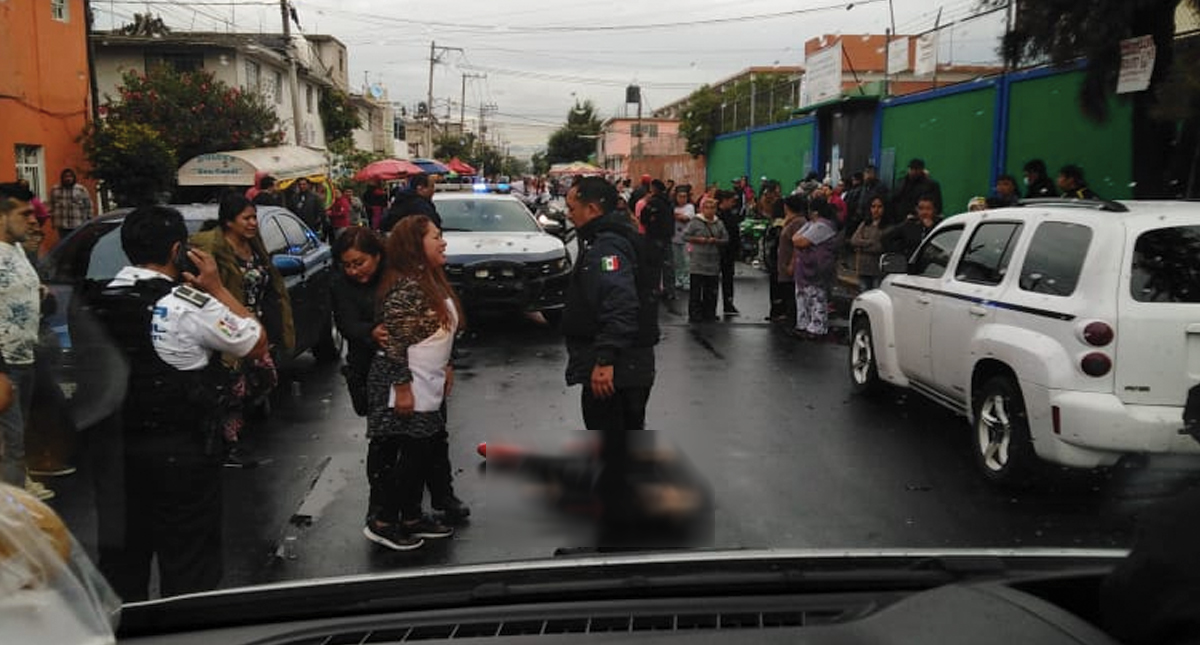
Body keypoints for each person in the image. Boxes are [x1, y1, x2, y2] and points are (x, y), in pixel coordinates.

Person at [91, 204, 267, 600]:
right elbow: (256, 343)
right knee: (189, 564)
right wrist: (218, 287)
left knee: (121, 564)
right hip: (180, 452)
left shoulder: (95, 299)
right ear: (177, 251)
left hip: (114, 454)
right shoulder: (186, 302)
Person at [562, 176, 658, 546]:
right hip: (630, 362)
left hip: (618, 365)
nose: (569, 215)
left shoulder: (608, 247)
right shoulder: (616, 238)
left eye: (572, 208)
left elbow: (620, 305)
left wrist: (604, 360)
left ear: (592, 208)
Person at [364, 215, 463, 551]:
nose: (443, 241)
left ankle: (411, 517)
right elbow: (394, 344)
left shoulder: (429, 280)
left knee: (421, 454)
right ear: (415, 246)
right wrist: (403, 389)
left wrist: (449, 364)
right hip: (404, 387)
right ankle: (383, 522)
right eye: (436, 236)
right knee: (408, 458)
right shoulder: (406, 287)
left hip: (428, 383)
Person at [190, 193, 294, 467]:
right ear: (228, 222)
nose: (252, 223)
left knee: (264, 379)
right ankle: (228, 446)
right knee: (233, 389)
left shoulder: (255, 246)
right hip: (227, 329)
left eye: (254, 218)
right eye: (246, 218)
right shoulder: (211, 252)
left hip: (257, 327)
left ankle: (230, 434)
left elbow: (271, 284)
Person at [0, 183, 53, 502]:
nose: (34, 220)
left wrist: (42, 295)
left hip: (24, 358)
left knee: (15, 441)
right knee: (11, 444)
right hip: (4, 366)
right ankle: (12, 521)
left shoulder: (18, 249)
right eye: (25, 213)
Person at [791, 198, 839, 341]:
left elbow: (801, 241)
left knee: (817, 298)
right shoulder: (812, 224)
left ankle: (817, 329)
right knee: (803, 297)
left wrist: (800, 237)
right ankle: (804, 325)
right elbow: (795, 238)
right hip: (804, 270)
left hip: (817, 269)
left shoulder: (823, 226)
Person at [683, 197, 727, 323]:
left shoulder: (719, 223)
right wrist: (698, 240)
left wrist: (717, 241)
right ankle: (695, 313)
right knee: (696, 290)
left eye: (712, 208)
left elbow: (725, 239)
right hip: (697, 261)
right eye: (707, 207)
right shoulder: (695, 222)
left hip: (713, 261)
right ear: (702, 209)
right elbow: (686, 236)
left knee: (711, 290)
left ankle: (710, 313)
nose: (710, 210)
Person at [773, 194, 807, 326]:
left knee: (792, 294)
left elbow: (797, 246)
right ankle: (788, 317)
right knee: (786, 293)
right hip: (783, 263)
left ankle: (794, 320)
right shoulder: (790, 220)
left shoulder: (798, 222)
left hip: (791, 265)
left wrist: (792, 263)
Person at [638, 179, 675, 300]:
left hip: (654, 236)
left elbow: (643, 218)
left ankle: (654, 289)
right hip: (667, 236)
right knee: (668, 265)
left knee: (654, 265)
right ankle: (669, 290)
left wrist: (651, 221)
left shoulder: (653, 202)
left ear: (654, 188)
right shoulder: (669, 201)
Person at [850, 196, 887, 292]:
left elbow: (879, 246)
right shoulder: (865, 224)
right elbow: (854, 240)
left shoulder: (888, 226)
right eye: (873, 206)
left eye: (879, 207)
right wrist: (869, 242)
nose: (876, 210)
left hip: (877, 270)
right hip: (863, 267)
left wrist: (861, 246)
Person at [714, 190, 742, 315]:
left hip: (729, 252)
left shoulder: (730, 214)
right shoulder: (717, 215)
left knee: (728, 279)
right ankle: (711, 305)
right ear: (724, 200)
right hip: (718, 251)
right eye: (731, 201)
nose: (733, 203)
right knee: (713, 279)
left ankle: (728, 303)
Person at [891, 158, 942, 223]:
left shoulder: (930, 185)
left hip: (920, 221)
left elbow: (937, 206)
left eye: (916, 169)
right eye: (911, 169)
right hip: (900, 220)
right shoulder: (902, 182)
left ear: (921, 170)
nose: (913, 171)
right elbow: (894, 199)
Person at [48, 168, 92, 240]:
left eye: (70, 176)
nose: (68, 179)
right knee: (65, 245)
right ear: (62, 178)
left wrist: (88, 220)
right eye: (66, 176)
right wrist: (53, 221)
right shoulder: (55, 190)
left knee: (77, 244)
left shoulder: (81, 189)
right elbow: (51, 206)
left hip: (77, 224)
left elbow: (88, 205)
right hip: (62, 225)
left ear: (74, 178)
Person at [670, 188, 695, 294]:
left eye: (684, 196)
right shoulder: (674, 206)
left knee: (687, 261)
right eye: (680, 196)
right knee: (676, 261)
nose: (682, 199)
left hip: (686, 239)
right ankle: (678, 280)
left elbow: (685, 218)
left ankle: (687, 281)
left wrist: (673, 214)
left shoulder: (690, 207)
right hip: (674, 238)